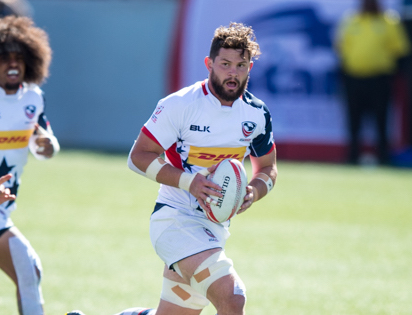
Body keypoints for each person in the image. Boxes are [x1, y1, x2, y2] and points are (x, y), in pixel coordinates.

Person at [68, 22, 277, 315]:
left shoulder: (256, 113)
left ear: (250, 68)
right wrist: (190, 182)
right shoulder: (179, 105)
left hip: (214, 229)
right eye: (225, 64)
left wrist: (253, 192)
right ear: (209, 64)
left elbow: (268, 168)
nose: (233, 72)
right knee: (233, 298)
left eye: (241, 65)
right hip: (174, 220)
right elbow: (138, 156)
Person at [0, 15, 58, 315]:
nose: (12, 64)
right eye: (4, 58)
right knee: (28, 267)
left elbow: (42, 137)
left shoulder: (33, 98)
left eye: (19, 58)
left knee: (29, 270)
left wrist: (47, 145)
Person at [335, 0, 411, 165]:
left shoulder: (390, 21)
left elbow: (400, 51)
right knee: (353, 121)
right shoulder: (351, 21)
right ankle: (352, 157)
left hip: (380, 79)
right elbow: (341, 49)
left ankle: (383, 157)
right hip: (354, 79)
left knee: (381, 120)